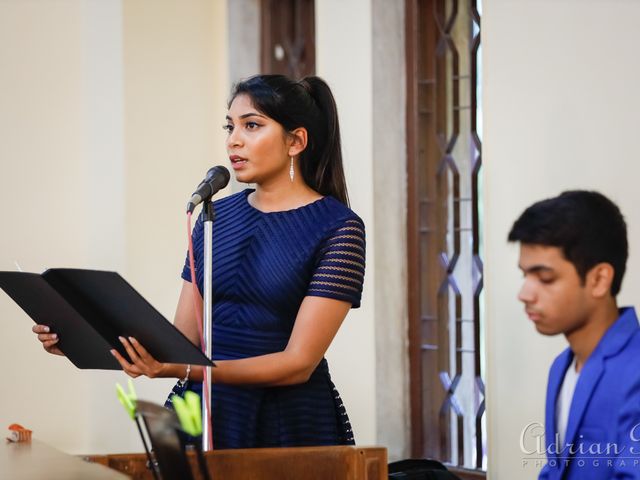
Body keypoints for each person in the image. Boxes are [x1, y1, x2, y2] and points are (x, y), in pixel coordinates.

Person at [33, 74, 366, 449]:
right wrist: (82, 339)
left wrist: (184, 369)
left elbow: (297, 364)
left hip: (285, 424)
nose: (233, 140)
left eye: (252, 125)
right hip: (206, 413)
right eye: (230, 126)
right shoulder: (213, 217)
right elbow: (181, 342)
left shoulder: (339, 228)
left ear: (296, 141)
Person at [508, 190, 640, 479]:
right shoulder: (561, 367)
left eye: (545, 278)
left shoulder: (635, 371)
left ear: (599, 279)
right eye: (525, 275)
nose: (525, 294)